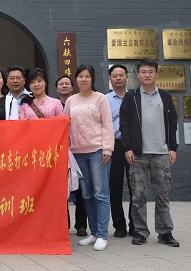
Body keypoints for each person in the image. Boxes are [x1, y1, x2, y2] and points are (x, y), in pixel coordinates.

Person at [120, 58, 179, 247]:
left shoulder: (165, 96)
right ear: (138, 75)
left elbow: (172, 123)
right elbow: (124, 124)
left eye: (151, 72)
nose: (147, 75)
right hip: (138, 154)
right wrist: (128, 147)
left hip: (161, 153)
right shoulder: (131, 97)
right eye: (144, 72)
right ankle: (140, 231)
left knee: (163, 195)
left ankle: (165, 232)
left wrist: (172, 147)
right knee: (138, 195)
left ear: (157, 74)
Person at [64, 64, 114, 251]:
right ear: (76, 79)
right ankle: (94, 233)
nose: (83, 79)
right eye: (80, 76)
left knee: (101, 193)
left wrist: (108, 149)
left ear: (92, 79)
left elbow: (108, 125)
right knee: (87, 195)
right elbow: (65, 126)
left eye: (87, 76)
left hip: (97, 151)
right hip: (77, 153)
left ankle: (102, 234)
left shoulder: (100, 98)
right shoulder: (71, 101)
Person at [105, 64, 135, 238]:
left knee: (135, 187)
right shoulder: (105, 100)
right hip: (114, 146)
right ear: (110, 79)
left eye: (121, 75)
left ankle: (135, 224)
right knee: (114, 188)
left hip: (132, 146)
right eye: (114, 76)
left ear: (127, 78)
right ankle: (119, 226)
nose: (118, 78)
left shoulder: (135, 98)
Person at [56, 75, 87, 237]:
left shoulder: (78, 104)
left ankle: (81, 225)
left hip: (78, 149)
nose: (64, 86)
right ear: (56, 88)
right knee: (62, 190)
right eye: (61, 84)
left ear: (72, 87)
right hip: (60, 152)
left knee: (81, 189)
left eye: (67, 83)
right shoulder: (54, 105)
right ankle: (65, 223)